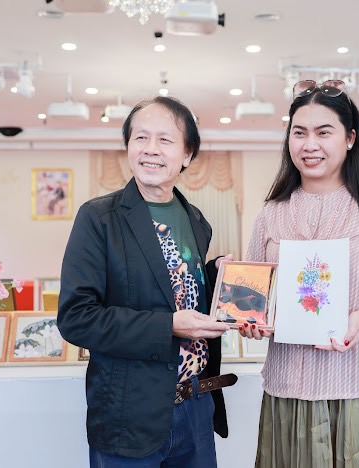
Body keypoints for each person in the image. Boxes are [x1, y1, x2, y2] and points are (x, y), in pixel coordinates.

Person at [240, 79, 359, 468]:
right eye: (299, 133)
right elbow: (256, 297)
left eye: (324, 132)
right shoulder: (271, 214)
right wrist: (251, 319)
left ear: (350, 138)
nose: (310, 145)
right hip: (287, 391)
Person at [57, 95, 234, 468]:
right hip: (129, 415)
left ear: (187, 155)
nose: (151, 149)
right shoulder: (98, 218)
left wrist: (218, 275)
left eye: (165, 140)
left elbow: (176, 288)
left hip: (196, 408)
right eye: (141, 137)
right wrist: (168, 326)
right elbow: (76, 318)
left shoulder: (196, 220)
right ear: (128, 147)